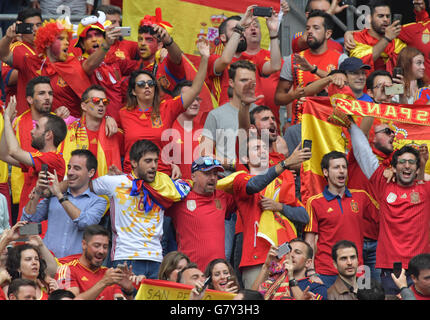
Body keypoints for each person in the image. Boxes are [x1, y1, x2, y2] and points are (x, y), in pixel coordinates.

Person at [217, 136, 311, 289]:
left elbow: (304, 216)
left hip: (284, 259)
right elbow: (255, 185)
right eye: (256, 148)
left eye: (264, 148)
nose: (262, 151)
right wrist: (286, 163)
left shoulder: (281, 184)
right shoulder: (240, 179)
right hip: (257, 260)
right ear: (245, 158)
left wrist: (279, 207)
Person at [88, 139, 191, 278]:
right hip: (126, 256)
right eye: (148, 161)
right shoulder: (116, 182)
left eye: (155, 161)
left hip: (156, 259)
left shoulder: (163, 185)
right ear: (134, 162)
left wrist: (176, 170)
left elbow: (188, 186)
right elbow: (83, 185)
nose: (154, 166)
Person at [349, 120, 430, 296]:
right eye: (402, 162)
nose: (407, 166)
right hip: (390, 269)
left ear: (417, 170)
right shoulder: (383, 185)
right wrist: (351, 123)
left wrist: (424, 167)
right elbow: (363, 152)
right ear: (393, 167)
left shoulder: (426, 189)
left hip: (422, 270)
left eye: (411, 162)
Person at [119, 38, 209, 177]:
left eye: (150, 83)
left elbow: (195, 89)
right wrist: (108, 118)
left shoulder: (167, 108)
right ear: (133, 91)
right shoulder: (123, 114)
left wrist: (204, 58)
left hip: (161, 177)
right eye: (142, 84)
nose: (147, 86)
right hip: (132, 179)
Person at [0, 18, 120, 118]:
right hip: (36, 130)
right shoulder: (31, 63)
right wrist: (7, 37)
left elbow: (90, 64)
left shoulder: (73, 63)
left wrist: (106, 45)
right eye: (61, 39)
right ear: (47, 42)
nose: (67, 43)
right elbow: (3, 55)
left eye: (67, 39)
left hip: (71, 132)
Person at [304, 151, 378, 288]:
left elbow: (384, 220)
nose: (342, 171)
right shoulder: (314, 202)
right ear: (325, 172)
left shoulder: (362, 197)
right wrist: (311, 271)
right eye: (336, 167)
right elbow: (309, 241)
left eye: (344, 167)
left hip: (357, 270)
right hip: (326, 271)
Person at [22, 149, 108, 258]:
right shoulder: (53, 197)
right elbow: (26, 220)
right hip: (48, 264)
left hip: (76, 268)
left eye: (77, 168)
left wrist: (59, 195)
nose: (70, 172)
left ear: (91, 172)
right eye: (69, 167)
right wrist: (38, 192)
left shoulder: (98, 202)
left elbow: (84, 223)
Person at [0, 98, 67, 224]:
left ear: (48, 135)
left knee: (27, 242)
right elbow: (3, 154)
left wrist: (8, 121)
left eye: (36, 127)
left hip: (38, 230)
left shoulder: (54, 159)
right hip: (27, 224)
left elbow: (14, 151)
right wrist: (6, 121)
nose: (31, 131)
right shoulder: (38, 158)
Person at [275, 9, 348, 124]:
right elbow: (278, 98)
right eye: (307, 28)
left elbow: (347, 88)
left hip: (332, 126)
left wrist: (313, 70)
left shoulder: (341, 59)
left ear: (328, 34)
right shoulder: (293, 60)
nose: (310, 31)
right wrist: (293, 95)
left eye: (316, 28)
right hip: (301, 126)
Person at [166, 156, 236, 272]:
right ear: (193, 176)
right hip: (190, 273)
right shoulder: (180, 198)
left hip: (217, 276)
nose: (213, 178)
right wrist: (170, 167)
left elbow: (246, 190)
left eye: (215, 173)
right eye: (207, 173)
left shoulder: (222, 197)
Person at [206, 5, 281, 108]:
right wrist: (240, 27)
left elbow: (275, 66)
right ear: (223, 37)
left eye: (242, 29)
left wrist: (273, 32)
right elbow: (225, 60)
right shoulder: (213, 58)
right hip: (230, 115)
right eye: (235, 29)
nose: (240, 32)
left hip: (255, 115)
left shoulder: (252, 58)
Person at [74, 15, 136, 123]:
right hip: (98, 124)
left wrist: (159, 52)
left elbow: (139, 66)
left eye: (97, 35)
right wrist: (106, 44)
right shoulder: (80, 62)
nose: (94, 39)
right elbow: (89, 65)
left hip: (121, 122)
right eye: (88, 37)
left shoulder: (113, 60)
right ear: (82, 45)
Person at [55, 224, 137, 300]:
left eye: (105, 247)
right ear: (84, 244)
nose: (101, 251)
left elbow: (119, 297)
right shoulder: (67, 269)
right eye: (96, 246)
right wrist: (104, 282)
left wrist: (128, 292)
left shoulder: (108, 273)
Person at [59, 84, 123, 178]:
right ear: (84, 106)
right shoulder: (69, 132)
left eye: (104, 102)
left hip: (106, 190)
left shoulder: (114, 132)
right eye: (96, 101)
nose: (101, 104)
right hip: (75, 189)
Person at [253, 238, 328, 300]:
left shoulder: (317, 287)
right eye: (289, 251)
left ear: (308, 263)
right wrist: (266, 266)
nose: (291, 255)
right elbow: (250, 297)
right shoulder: (274, 279)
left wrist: (291, 277)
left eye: (297, 252)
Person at [1, 222, 58, 300]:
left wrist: (41, 245)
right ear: (18, 267)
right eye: (28, 259)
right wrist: (7, 239)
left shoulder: (47, 286)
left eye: (36, 259)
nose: (34, 262)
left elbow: (53, 270)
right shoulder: (9, 288)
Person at [1, 8, 43, 113]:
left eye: (38, 25)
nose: (36, 29)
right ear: (22, 28)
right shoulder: (14, 47)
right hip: (21, 111)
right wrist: (34, 65)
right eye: (30, 26)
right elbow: (8, 78)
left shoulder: (48, 48)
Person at [347, 0, 406, 75]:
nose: (385, 19)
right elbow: (361, 62)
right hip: (366, 85)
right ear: (369, 18)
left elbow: (406, 65)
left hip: (392, 85)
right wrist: (386, 38)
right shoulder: (357, 38)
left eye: (388, 16)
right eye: (381, 16)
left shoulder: (396, 41)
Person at [168, 80, 204, 180]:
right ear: (177, 101)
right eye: (191, 99)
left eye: (197, 99)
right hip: (177, 190)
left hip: (202, 191)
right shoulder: (167, 128)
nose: (196, 103)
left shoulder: (204, 130)